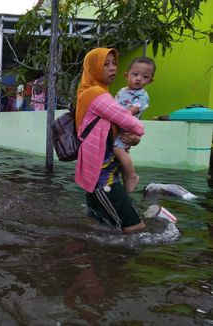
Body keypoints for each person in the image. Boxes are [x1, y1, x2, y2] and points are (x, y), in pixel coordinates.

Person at [74, 48, 145, 234]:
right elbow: (129, 121)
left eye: (114, 63)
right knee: (134, 227)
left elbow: (112, 127)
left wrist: (132, 139)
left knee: (101, 228)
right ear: (93, 68)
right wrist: (138, 132)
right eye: (105, 65)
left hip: (101, 170)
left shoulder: (92, 91)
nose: (112, 68)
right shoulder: (97, 94)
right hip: (103, 176)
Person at [113, 57, 156, 192]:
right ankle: (127, 186)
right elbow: (114, 104)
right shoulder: (122, 91)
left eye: (145, 77)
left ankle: (132, 175)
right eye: (135, 75)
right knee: (122, 153)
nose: (139, 79)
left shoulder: (142, 95)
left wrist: (118, 115)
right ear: (127, 75)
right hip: (118, 126)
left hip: (127, 128)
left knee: (118, 149)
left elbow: (134, 109)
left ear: (150, 81)